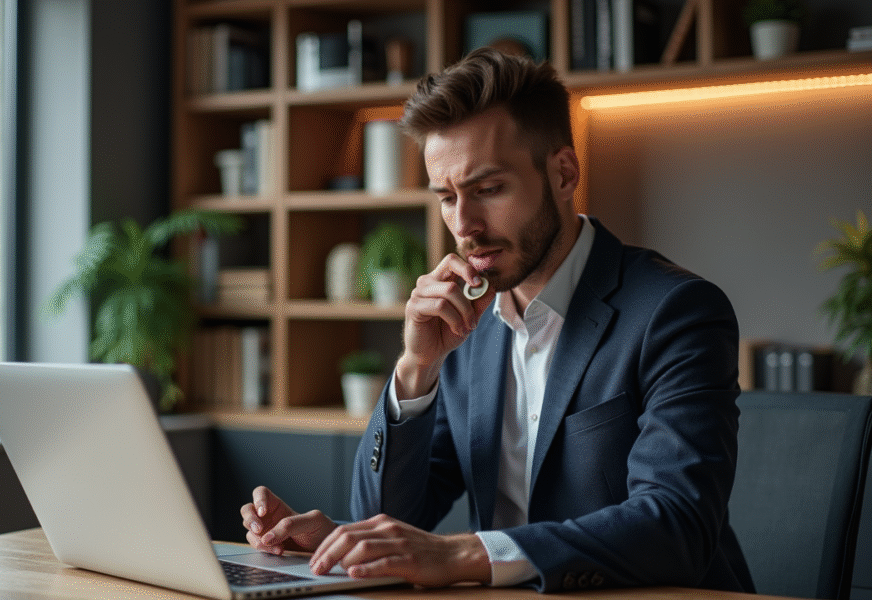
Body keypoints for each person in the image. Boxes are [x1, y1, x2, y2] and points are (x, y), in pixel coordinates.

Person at [241, 47, 754, 593]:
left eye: (488, 190)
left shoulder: (675, 312)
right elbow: (388, 513)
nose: (465, 225)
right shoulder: (461, 322)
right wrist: (416, 369)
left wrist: (460, 553)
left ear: (563, 173)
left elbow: (677, 525)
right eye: (446, 197)